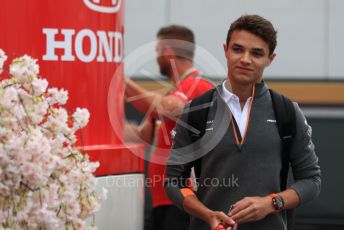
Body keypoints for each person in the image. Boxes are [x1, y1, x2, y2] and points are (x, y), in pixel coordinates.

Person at [164, 15, 321, 230]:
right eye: (238, 49)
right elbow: (174, 181)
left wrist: (272, 203)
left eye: (257, 53)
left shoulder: (287, 111)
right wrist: (207, 214)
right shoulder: (196, 111)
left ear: (270, 59)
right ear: (226, 50)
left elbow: (311, 181)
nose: (245, 59)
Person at [124, 25, 214, 230]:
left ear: (167, 52)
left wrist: (120, 79)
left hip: (185, 199)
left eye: (157, 51)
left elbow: (168, 109)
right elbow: (141, 136)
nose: (156, 57)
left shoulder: (199, 86)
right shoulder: (172, 93)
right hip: (163, 200)